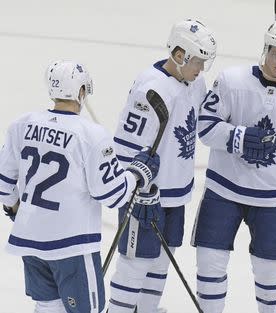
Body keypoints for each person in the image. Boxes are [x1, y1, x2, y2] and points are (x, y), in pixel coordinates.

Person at [0, 60, 160, 313]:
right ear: (81, 91)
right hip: (71, 245)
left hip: (29, 239)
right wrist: (137, 173)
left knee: (47, 306)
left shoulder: (22, 124)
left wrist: (15, 209)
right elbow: (112, 195)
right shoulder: (91, 134)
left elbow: (4, 182)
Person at [191, 21, 276, 313]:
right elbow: (206, 127)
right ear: (265, 50)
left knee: (271, 277)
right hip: (223, 192)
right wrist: (241, 137)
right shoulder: (232, 80)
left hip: (273, 200)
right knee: (210, 267)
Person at [107, 19, 217, 313]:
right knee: (135, 263)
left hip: (176, 192)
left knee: (161, 260)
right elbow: (126, 147)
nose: (201, 69)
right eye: (198, 61)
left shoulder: (195, 81)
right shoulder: (151, 89)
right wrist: (134, 189)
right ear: (180, 54)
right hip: (147, 194)